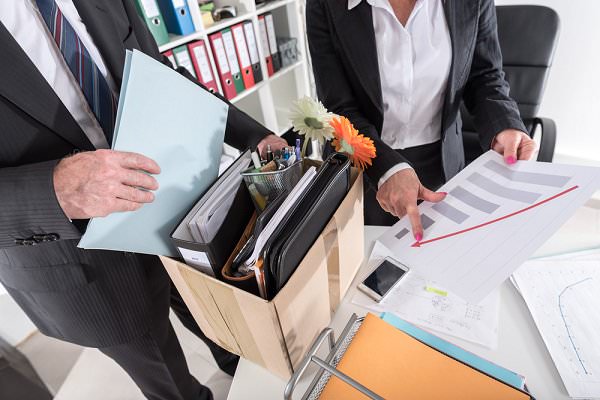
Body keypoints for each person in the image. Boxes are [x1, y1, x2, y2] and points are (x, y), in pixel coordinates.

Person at [0, 1, 286, 399]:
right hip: (82, 261)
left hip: (177, 207)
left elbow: (161, 72)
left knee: (232, 338)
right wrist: (56, 190)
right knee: (172, 387)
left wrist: (251, 135)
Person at [306, 0, 538, 237]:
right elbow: (338, 108)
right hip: (362, 169)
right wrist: (387, 168)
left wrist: (505, 126)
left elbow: (484, 76)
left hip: (442, 166)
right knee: (364, 265)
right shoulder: (326, 4)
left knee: (443, 261)